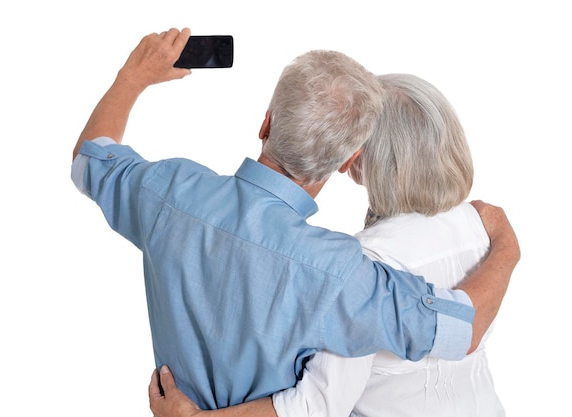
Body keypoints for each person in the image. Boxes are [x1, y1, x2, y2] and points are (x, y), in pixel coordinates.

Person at [71, 28, 520, 409]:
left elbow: (89, 159)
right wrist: (505, 243)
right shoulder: (340, 271)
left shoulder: (167, 190)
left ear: (265, 123)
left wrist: (133, 76)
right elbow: (462, 328)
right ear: (348, 160)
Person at [148, 73, 509, 417]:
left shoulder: (365, 261)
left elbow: (315, 407)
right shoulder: (479, 224)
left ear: (362, 152)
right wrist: (510, 248)